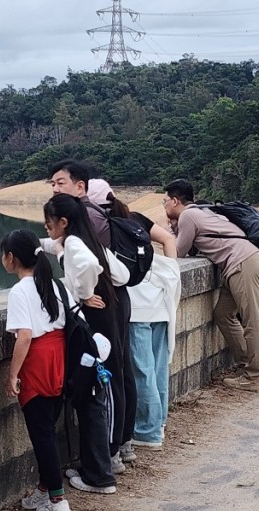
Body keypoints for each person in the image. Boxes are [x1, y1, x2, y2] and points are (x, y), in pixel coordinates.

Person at [48, 164, 134, 476]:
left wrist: (83, 293)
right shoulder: (90, 238)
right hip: (113, 309)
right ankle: (112, 452)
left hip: (96, 318)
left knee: (99, 386)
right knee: (113, 379)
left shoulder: (75, 243)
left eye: (60, 183)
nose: (55, 188)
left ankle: (103, 464)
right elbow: (122, 274)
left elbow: (82, 264)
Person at [88, 178, 181, 454]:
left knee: (142, 370)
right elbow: (167, 238)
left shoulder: (102, 227)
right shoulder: (134, 217)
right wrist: (170, 271)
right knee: (158, 367)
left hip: (137, 305)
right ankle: (158, 423)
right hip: (159, 298)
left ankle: (149, 432)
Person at [164, 178, 259, 392]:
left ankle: (254, 377)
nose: (164, 206)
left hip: (242, 263)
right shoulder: (203, 212)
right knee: (223, 314)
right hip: (240, 263)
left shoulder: (189, 215)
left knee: (252, 320)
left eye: (165, 202)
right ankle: (244, 364)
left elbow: (178, 251)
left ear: (175, 201)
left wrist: (164, 235)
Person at [0, 229, 73, 511]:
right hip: (59, 357)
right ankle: (44, 490)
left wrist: (12, 375)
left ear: (11, 258)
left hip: (38, 361)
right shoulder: (53, 284)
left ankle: (57, 501)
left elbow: (25, 335)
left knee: (41, 433)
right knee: (48, 426)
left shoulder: (20, 291)